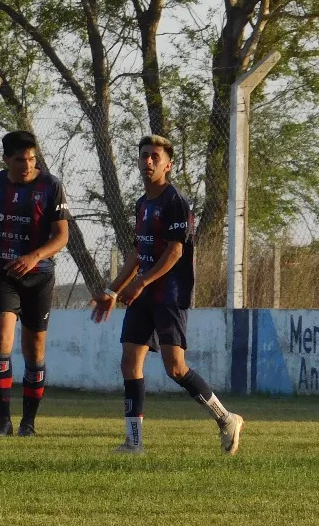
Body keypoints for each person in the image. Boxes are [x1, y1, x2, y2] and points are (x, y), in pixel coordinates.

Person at [90, 134, 243, 456]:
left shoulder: (175, 201)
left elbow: (175, 252)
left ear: (168, 165)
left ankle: (227, 418)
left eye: (154, 157)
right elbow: (137, 252)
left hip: (169, 294)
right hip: (142, 294)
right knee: (130, 361)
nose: (148, 161)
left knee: (176, 367)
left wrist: (142, 282)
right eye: (144, 155)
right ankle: (134, 442)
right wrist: (111, 290)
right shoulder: (142, 204)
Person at [0, 130, 70, 437]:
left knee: (34, 350)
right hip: (3, 274)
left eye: (31, 159)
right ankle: (2, 421)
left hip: (39, 276)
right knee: (1, 342)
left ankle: (29, 422)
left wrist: (33, 256)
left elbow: (62, 236)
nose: (26, 165)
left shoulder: (50, 186)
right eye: (19, 160)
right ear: (6, 160)